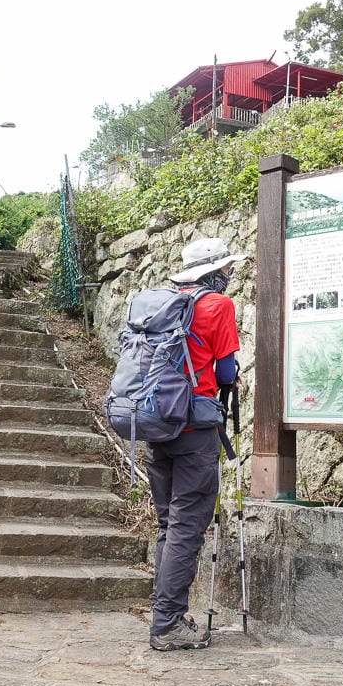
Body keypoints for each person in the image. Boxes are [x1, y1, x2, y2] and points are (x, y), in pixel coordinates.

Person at [148, 237, 243, 652]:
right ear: (214, 272)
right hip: (194, 428)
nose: (229, 275)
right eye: (225, 269)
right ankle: (167, 623)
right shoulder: (217, 306)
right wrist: (230, 376)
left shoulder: (162, 303)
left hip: (156, 423)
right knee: (187, 525)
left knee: (169, 523)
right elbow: (224, 372)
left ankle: (163, 613)